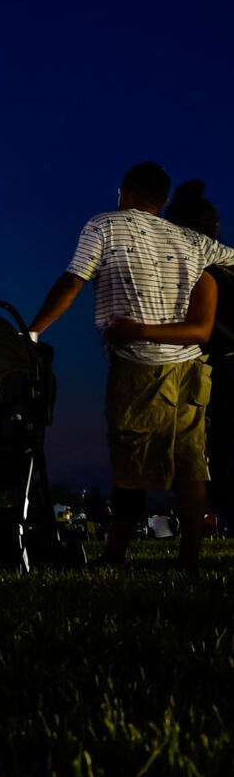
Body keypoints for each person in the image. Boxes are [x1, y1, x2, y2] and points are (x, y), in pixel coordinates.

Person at [29, 162, 233, 570]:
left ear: (125, 193)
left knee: (131, 464)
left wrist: (33, 332)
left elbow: (73, 279)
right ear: (162, 201)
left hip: (140, 365)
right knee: (191, 461)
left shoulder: (105, 225)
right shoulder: (191, 240)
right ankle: (190, 555)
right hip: (192, 369)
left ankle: (115, 554)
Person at [159, 182, 234, 538]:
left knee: (201, 458)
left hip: (208, 376)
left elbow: (196, 330)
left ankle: (193, 537)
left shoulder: (192, 273)